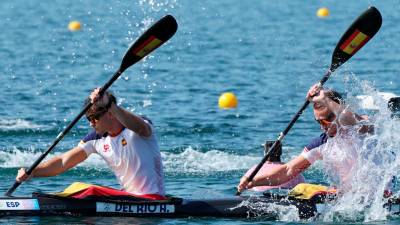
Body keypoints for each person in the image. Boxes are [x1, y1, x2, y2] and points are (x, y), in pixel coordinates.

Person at [16, 88, 165, 198]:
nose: (91, 123)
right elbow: (62, 162)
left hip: (153, 198)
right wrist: (32, 172)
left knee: (90, 191)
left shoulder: (137, 128)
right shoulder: (96, 139)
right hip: (128, 198)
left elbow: (141, 127)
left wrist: (110, 104)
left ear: (110, 114)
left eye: (94, 118)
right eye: (88, 119)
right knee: (78, 187)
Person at [237, 84, 378, 194]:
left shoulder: (362, 127)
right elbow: (288, 170)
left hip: (381, 197)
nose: (324, 127)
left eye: (328, 120)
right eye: (319, 122)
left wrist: (323, 98)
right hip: (349, 198)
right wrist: (253, 181)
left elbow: (345, 115)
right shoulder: (321, 144)